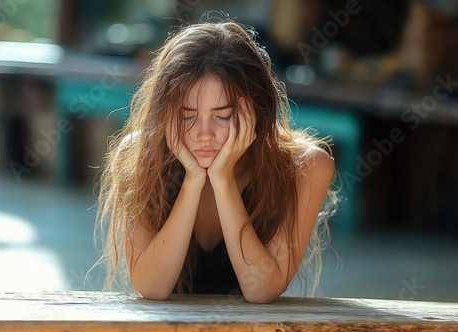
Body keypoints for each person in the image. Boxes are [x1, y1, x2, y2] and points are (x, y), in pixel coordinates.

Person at [95, 19, 337, 304]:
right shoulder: (138, 155)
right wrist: (193, 181)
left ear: (256, 111)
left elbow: (261, 290)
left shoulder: (306, 166)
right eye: (186, 116)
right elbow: (151, 287)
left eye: (222, 116)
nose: (203, 135)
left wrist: (223, 181)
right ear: (163, 114)